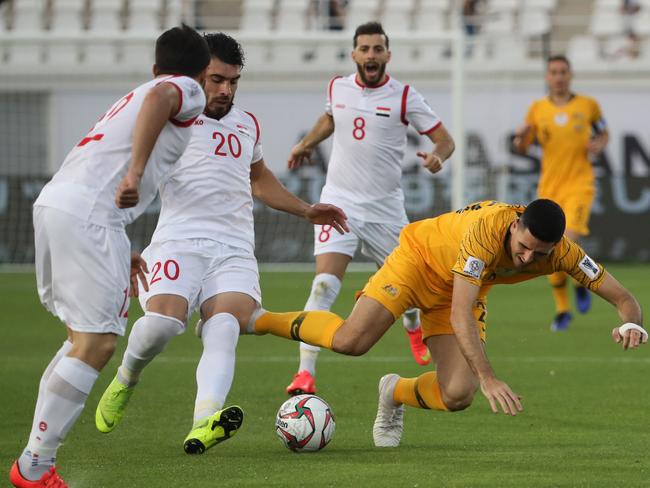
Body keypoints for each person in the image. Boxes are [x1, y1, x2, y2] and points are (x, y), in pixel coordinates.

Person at [93, 33, 348, 456]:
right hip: (178, 242)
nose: (226, 90)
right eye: (216, 80)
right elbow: (126, 169)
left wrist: (305, 210)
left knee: (226, 325)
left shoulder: (246, 123)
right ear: (197, 77)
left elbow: (258, 179)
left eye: (233, 81)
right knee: (163, 324)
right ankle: (126, 377)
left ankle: (204, 421)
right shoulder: (172, 120)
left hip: (232, 249)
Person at [246, 199, 646, 447]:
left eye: (539, 254)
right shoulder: (486, 232)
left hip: (458, 290)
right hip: (416, 263)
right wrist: (489, 377)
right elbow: (460, 314)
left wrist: (632, 325)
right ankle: (260, 319)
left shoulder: (563, 253)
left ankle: (394, 392)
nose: (527, 259)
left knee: (457, 394)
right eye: (524, 248)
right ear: (514, 226)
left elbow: (623, 298)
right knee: (352, 341)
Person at [8, 25, 210, 488]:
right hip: (89, 217)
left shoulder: (136, 92)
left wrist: (121, 245)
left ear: (155, 64)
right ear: (198, 72)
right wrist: (135, 173)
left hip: (59, 206)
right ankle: (34, 467)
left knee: (78, 341)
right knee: (97, 344)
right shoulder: (183, 89)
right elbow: (165, 97)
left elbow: (150, 101)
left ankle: (35, 462)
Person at [285, 21, 455, 395]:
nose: (371, 55)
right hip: (338, 204)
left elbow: (444, 139)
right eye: (365, 49)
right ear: (354, 54)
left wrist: (438, 158)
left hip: (384, 211)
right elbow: (331, 117)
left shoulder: (405, 96)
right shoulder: (338, 87)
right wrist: (307, 143)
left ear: (387, 55)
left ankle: (412, 325)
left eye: (378, 49)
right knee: (324, 285)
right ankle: (305, 372)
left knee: (409, 287)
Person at [513, 55, 609, 332]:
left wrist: (599, 144)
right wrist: (521, 137)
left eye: (563, 72)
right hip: (550, 188)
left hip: (580, 185)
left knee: (566, 242)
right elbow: (522, 147)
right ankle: (564, 306)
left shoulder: (588, 106)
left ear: (570, 74)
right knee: (549, 247)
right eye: (553, 72)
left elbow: (603, 133)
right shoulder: (537, 109)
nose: (558, 76)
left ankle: (576, 287)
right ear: (547, 76)